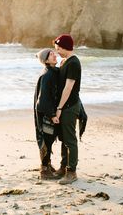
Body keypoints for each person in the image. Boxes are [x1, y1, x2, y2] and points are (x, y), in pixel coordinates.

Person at [53, 34, 82, 185]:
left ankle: (72, 172)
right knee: (64, 138)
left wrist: (59, 108)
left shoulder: (74, 63)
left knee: (70, 139)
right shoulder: (64, 61)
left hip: (69, 106)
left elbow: (68, 88)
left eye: (58, 48)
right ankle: (63, 167)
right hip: (65, 106)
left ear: (65, 47)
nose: (56, 51)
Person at [34, 48, 60, 180]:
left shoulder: (53, 72)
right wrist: (52, 115)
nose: (54, 55)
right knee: (46, 140)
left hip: (48, 112)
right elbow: (42, 100)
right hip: (45, 113)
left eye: (53, 53)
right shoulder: (47, 75)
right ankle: (44, 170)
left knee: (48, 139)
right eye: (51, 54)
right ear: (45, 60)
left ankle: (47, 165)